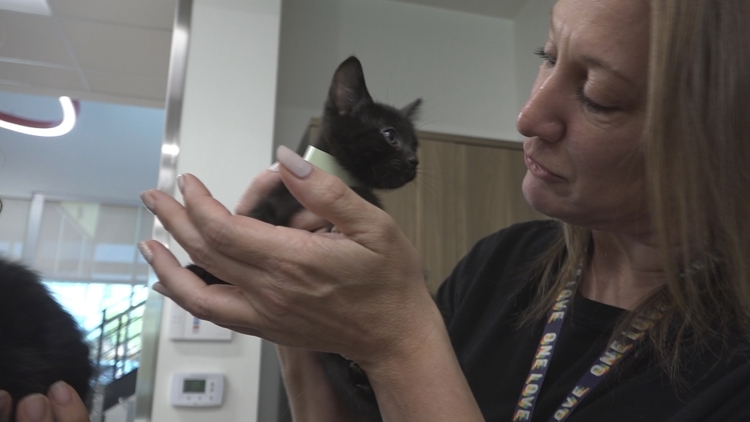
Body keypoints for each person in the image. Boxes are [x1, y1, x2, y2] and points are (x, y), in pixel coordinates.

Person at [32, 0, 750, 420]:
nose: (528, 116)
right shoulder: (503, 263)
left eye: (599, 96)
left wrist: (399, 342)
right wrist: (292, 317)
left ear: (721, 135)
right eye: (546, 54)